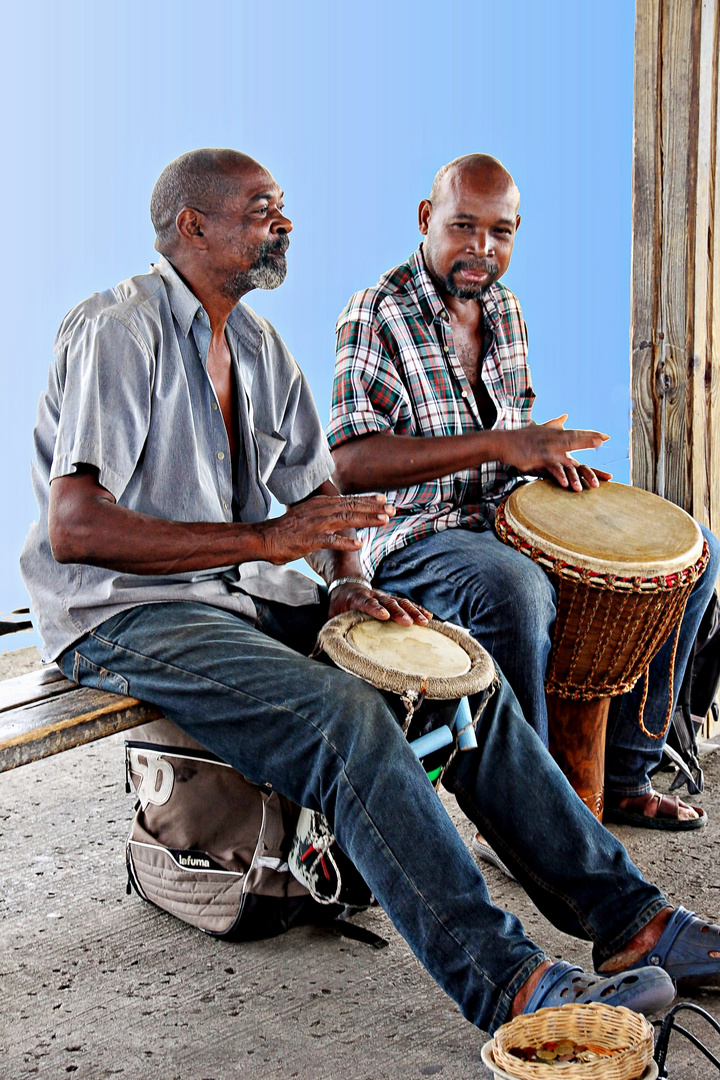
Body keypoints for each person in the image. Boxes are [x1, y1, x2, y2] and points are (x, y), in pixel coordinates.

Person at [20, 149, 720, 1039]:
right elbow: (76, 527)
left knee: (458, 673)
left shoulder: (258, 344)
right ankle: (509, 985)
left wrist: (349, 582)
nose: (285, 223)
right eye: (263, 208)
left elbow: (324, 499)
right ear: (193, 225)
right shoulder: (119, 331)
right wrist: (264, 542)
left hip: (231, 592)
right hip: (119, 609)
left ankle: (633, 922)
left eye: (284, 208)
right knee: (344, 719)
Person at [327, 153, 720, 837]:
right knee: (517, 589)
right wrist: (500, 446)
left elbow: (513, 438)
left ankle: (627, 774)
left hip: (501, 517)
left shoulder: (504, 310)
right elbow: (351, 462)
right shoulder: (374, 312)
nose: (482, 249)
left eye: (501, 232)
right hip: (414, 536)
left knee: (694, 556)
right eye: (463, 226)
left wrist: (545, 466)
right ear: (427, 219)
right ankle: (529, 823)